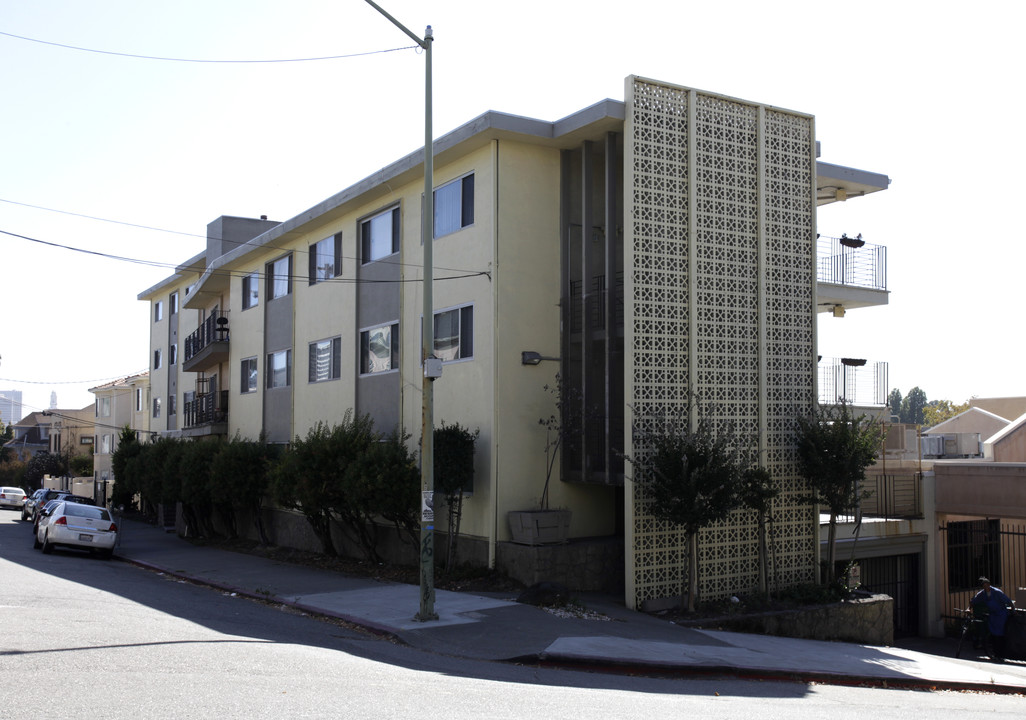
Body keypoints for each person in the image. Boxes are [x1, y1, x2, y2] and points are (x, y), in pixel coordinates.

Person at [970, 576, 1014, 660]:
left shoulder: (997, 592)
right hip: (993, 616)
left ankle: (1000, 654)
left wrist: (1013, 609)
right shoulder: (982, 594)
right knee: (993, 635)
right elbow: (974, 601)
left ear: (989, 584)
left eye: (986, 584)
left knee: (1000, 635)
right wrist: (969, 608)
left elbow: (1008, 601)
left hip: (1001, 615)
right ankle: (996, 653)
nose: (985, 586)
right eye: (983, 585)